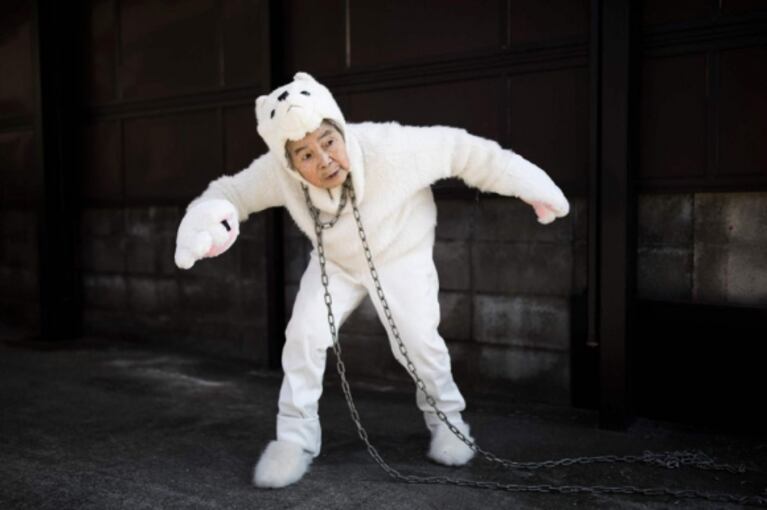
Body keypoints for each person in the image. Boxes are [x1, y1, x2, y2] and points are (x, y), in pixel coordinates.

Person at [174, 72, 570, 489]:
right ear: (289, 163)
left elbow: (466, 153)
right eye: (305, 155)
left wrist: (532, 186)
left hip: (402, 252)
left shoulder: (392, 147)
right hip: (337, 261)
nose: (323, 160)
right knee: (304, 336)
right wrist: (206, 221)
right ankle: (293, 442)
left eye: (328, 142)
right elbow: (230, 192)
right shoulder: (276, 173)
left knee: (418, 342)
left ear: (340, 129)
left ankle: (449, 425)